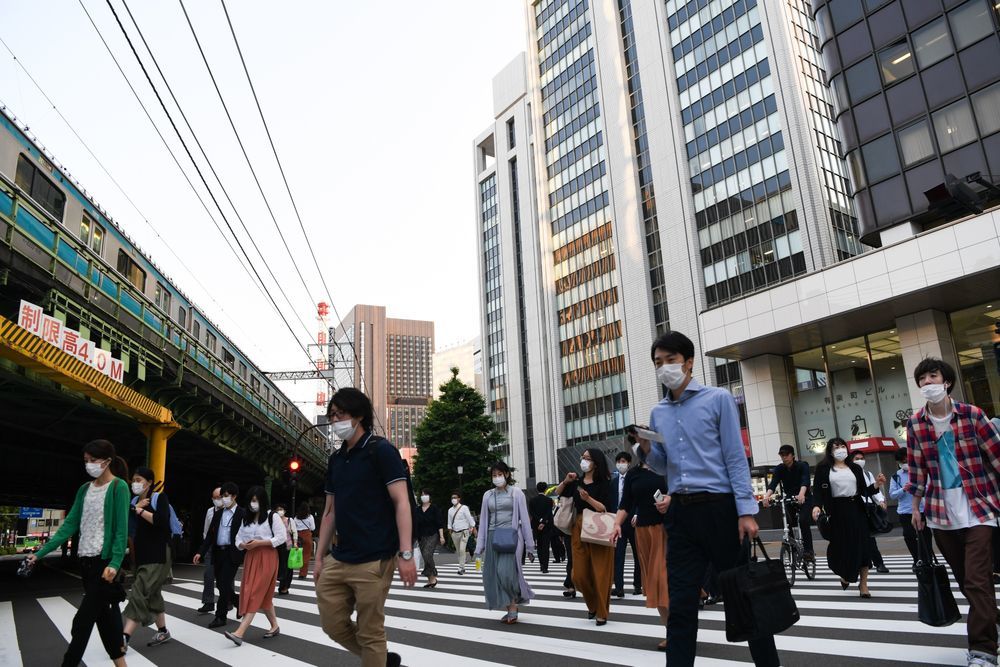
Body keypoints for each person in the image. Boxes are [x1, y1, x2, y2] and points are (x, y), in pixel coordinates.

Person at [636, 330, 781, 667]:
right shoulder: (659, 413)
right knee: (682, 605)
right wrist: (645, 448)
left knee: (743, 597)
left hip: (720, 510)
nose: (664, 368)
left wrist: (746, 511)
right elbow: (662, 464)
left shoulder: (718, 399)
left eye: (670, 360)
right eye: (658, 363)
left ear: (688, 362)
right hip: (680, 515)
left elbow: (734, 456)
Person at [905, 358, 1000, 667]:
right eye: (922, 378)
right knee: (966, 581)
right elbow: (917, 469)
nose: (928, 382)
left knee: (976, 581)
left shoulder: (972, 415)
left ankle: (983, 650)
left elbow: (997, 456)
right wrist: (916, 506)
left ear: (946, 381)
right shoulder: (916, 424)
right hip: (940, 514)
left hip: (979, 508)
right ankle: (992, 622)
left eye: (933, 376)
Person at [314, 388, 416, 667]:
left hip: (376, 557)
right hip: (341, 555)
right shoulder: (336, 459)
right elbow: (329, 512)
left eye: (340, 414)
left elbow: (402, 502)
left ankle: (375, 658)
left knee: (371, 631)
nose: (335, 421)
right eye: (331, 415)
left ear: (359, 415)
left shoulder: (381, 451)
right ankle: (380, 660)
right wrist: (319, 557)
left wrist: (406, 554)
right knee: (332, 624)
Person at [28, 439, 131, 667]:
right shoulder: (85, 489)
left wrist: (115, 562)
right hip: (85, 563)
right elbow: (70, 524)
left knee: (82, 623)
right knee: (105, 618)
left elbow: (120, 531)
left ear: (107, 461)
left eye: (93, 461)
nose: (89, 465)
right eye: (86, 461)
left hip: (103, 564)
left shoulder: (119, 487)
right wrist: (40, 553)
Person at [811, 438, 885, 597]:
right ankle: (846, 575)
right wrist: (817, 506)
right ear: (830, 451)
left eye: (843, 446)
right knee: (842, 547)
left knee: (864, 546)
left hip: (857, 509)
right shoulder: (823, 469)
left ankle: (863, 585)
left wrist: (877, 485)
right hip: (836, 511)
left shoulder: (855, 468)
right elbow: (817, 492)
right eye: (836, 447)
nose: (840, 449)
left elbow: (865, 491)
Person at [612, 461, 669, 650]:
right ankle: (672, 631)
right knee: (655, 581)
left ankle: (681, 628)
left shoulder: (669, 463)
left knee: (664, 579)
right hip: (644, 532)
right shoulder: (633, 473)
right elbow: (625, 503)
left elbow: (686, 492)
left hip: (669, 529)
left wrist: (672, 499)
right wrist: (617, 523)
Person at [555, 448, 614, 625]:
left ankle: (601, 612)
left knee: (601, 573)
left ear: (596, 462)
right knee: (578, 575)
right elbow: (558, 493)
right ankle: (592, 605)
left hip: (599, 525)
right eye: (583, 457)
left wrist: (588, 499)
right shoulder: (576, 482)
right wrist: (565, 482)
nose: (584, 460)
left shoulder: (605, 482)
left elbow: (605, 508)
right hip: (578, 526)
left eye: (587, 458)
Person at [223, 485, 286, 646]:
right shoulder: (247, 519)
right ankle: (275, 626)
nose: (253, 504)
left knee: (255, 593)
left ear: (263, 501)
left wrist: (260, 543)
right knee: (263, 597)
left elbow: (281, 537)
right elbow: (237, 538)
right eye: (251, 501)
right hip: (251, 557)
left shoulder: (273, 516)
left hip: (268, 557)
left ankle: (240, 632)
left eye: (256, 501)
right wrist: (243, 545)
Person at [474, 461, 536, 624]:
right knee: (494, 575)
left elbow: (524, 519)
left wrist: (530, 545)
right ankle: (510, 607)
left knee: (506, 573)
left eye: (499, 474)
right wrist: (479, 546)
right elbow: (483, 520)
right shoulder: (487, 495)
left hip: (511, 536)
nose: (497, 478)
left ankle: (514, 603)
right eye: (494, 475)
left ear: (507, 474)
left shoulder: (517, 493)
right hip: (492, 536)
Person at [122, 467, 172, 650]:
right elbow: (127, 527)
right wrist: (135, 507)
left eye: (138, 479)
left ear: (149, 482)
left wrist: (139, 511)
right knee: (153, 593)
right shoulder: (133, 501)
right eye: (133, 480)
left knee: (140, 591)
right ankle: (163, 631)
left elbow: (161, 522)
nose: (134, 483)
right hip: (142, 554)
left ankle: (124, 637)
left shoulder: (159, 498)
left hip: (158, 553)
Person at [193, 482, 244, 628]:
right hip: (218, 552)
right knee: (222, 585)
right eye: (222, 496)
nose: (223, 499)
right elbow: (209, 535)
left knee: (223, 582)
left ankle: (220, 617)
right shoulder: (218, 513)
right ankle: (238, 602)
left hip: (232, 553)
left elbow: (247, 533)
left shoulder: (242, 513)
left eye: (226, 496)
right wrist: (200, 552)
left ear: (234, 496)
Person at [762, 444, 814, 560]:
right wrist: (766, 496)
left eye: (787, 455)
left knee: (803, 520)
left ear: (793, 455)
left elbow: (805, 480)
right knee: (787, 521)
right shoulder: (780, 469)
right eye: (782, 455)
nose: (784, 457)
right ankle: (793, 548)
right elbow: (773, 483)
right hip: (789, 499)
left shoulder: (802, 465)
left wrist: (801, 494)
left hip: (804, 497)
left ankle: (808, 550)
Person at [889, 447, 933, 567]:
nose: (905, 464)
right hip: (905, 512)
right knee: (909, 536)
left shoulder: (920, 472)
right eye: (902, 462)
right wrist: (903, 489)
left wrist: (918, 488)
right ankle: (916, 559)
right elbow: (892, 494)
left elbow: (929, 487)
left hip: (921, 509)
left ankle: (928, 559)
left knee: (925, 535)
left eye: (907, 461)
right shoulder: (896, 476)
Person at [610, 451, 642, 596]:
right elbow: (611, 502)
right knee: (618, 555)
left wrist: (637, 513)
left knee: (638, 554)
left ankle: (638, 584)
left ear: (629, 463)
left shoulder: (635, 479)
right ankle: (619, 587)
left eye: (623, 461)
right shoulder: (613, 482)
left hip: (634, 521)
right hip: (618, 523)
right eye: (619, 461)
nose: (621, 464)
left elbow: (640, 499)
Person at [852, 450, 889, 573]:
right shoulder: (849, 474)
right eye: (857, 458)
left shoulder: (868, 474)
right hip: (855, 508)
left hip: (868, 508)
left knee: (870, 537)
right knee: (858, 539)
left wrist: (881, 501)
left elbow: (874, 490)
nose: (860, 460)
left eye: (862, 458)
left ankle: (878, 563)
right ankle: (867, 562)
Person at [197, 487, 222, 613]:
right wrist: (204, 548)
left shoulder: (230, 512)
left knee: (225, 576)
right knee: (208, 574)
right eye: (214, 498)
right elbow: (206, 531)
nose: (217, 500)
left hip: (224, 547)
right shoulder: (210, 511)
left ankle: (227, 600)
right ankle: (208, 602)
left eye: (219, 497)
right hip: (211, 546)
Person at [415, 490, 445, 587]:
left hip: (433, 535)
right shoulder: (417, 510)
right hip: (421, 536)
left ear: (430, 496)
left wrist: (441, 536)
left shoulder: (434, 508)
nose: (424, 496)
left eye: (426, 494)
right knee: (425, 557)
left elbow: (439, 523)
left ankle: (433, 574)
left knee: (428, 554)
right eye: (422, 495)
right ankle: (431, 580)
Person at [527, 482, 554, 573]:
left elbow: (532, 512)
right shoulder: (549, 500)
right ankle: (545, 567)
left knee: (539, 546)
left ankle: (541, 564)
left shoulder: (532, 500)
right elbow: (549, 513)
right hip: (546, 526)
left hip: (536, 526)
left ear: (537, 489)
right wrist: (543, 521)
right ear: (545, 489)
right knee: (546, 546)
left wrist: (539, 520)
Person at [447, 491, 476, 575]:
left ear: (459, 499)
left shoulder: (464, 508)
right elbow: (449, 522)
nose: (453, 499)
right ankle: (462, 564)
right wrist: (450, 531)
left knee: (462, 549)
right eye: (452, 498)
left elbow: (469, 518)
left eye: (455, 497)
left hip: (464, 531)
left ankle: (461, 568)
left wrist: (473, 527)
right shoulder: (450, 510)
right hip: (454, 532)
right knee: (458, 551)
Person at [274, 502, 296, 595]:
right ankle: (282, 585)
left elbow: (294, 532)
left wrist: (295, 543)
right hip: (277, 548)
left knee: (288, 568)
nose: (280, 511)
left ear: (285, 511)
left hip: (288, 546)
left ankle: (284, 587)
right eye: (278, 509)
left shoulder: (289, 520)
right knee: (280, 567)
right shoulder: (274, 521)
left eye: (281, 509)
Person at [294, 502, 315, 579]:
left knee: (297, 553)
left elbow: (293, 528)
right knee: (306, 555)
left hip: (298, 536)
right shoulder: (310, 517)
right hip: (307, 535)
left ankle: (295, 567)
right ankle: (302, 573)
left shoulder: (296, 518)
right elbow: (313, 528)